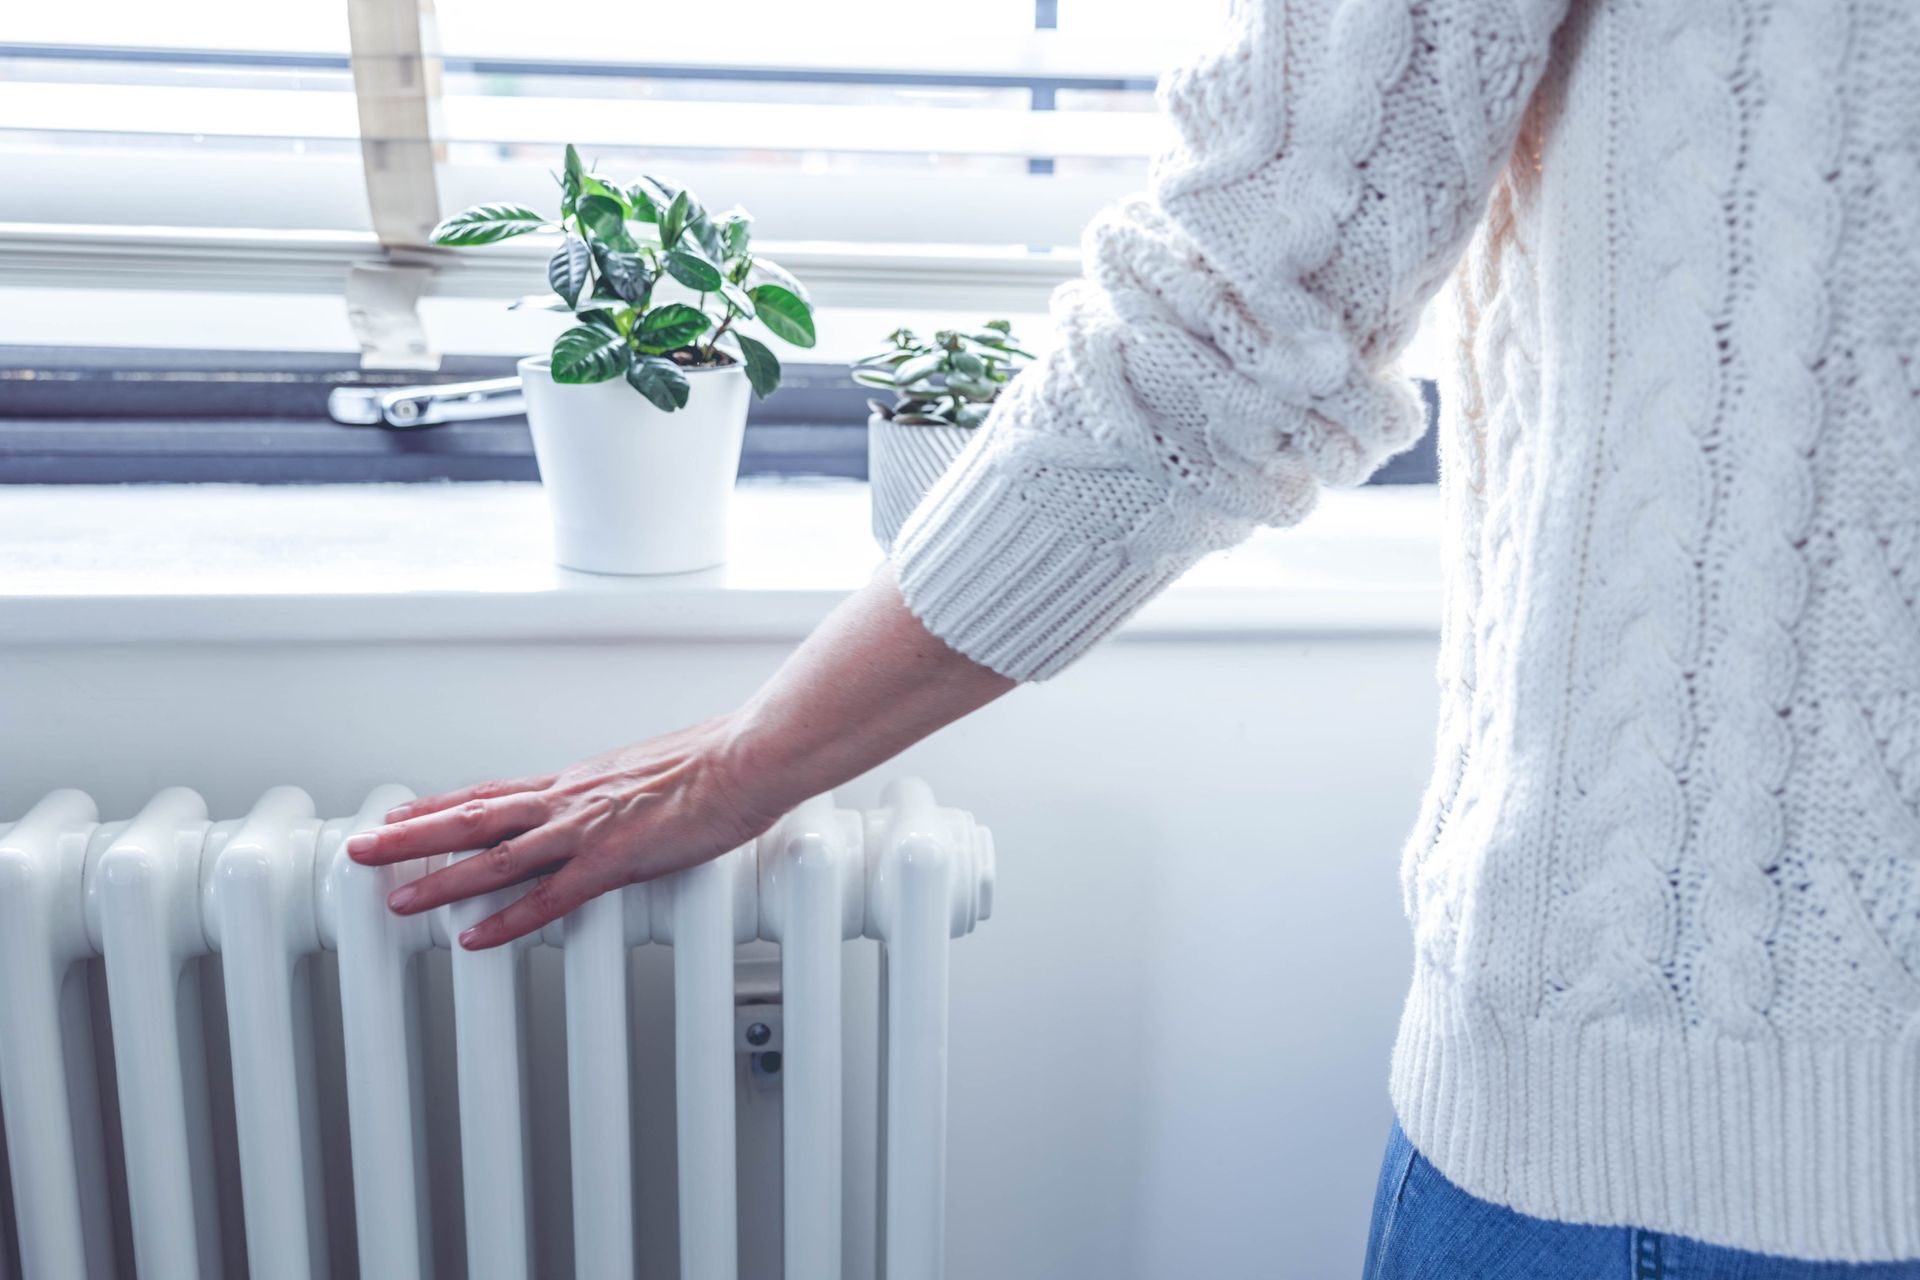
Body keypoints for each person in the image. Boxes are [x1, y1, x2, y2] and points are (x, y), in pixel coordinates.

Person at [344, 0, 1920, 1272]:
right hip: (1694, 1119)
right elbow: (1245, 307)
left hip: (1709, 1130)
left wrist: (750, 764)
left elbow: (1231, 321)